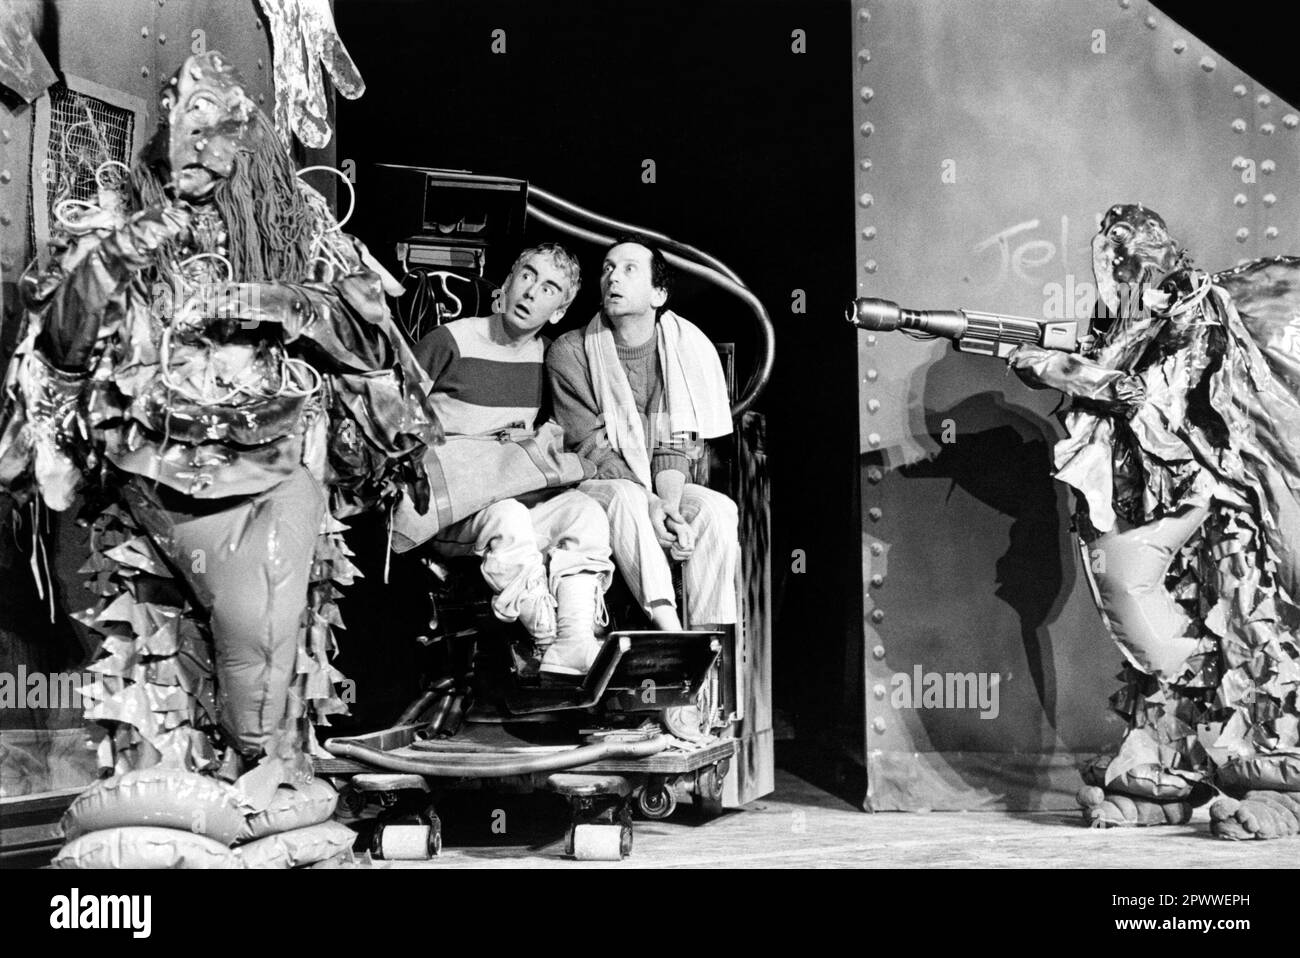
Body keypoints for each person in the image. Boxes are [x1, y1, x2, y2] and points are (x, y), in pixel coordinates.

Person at [412, 244, 615, 676]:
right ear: (507, 282)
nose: (530, 293)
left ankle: (575, 641)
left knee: (584, 512)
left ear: (558, 311)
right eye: (527, 275)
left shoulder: (547, 359)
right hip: (450, 508)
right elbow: (392, 424)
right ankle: (543, 642)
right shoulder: (448, 341)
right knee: (508, 517)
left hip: (511, 499)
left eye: (548, 288)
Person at [546, 236, 738, 632]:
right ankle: (671, 631)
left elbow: (673, 443)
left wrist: (667, 508)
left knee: (717, 511)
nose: (613, 277)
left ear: (659, 294)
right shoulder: (571, 352)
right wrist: (652, 505)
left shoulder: (681, 351)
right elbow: (591, 449)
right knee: (628, 496)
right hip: (595, 484)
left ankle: (708, 641)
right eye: (608, 269)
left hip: (653, 487)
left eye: (629, 269)